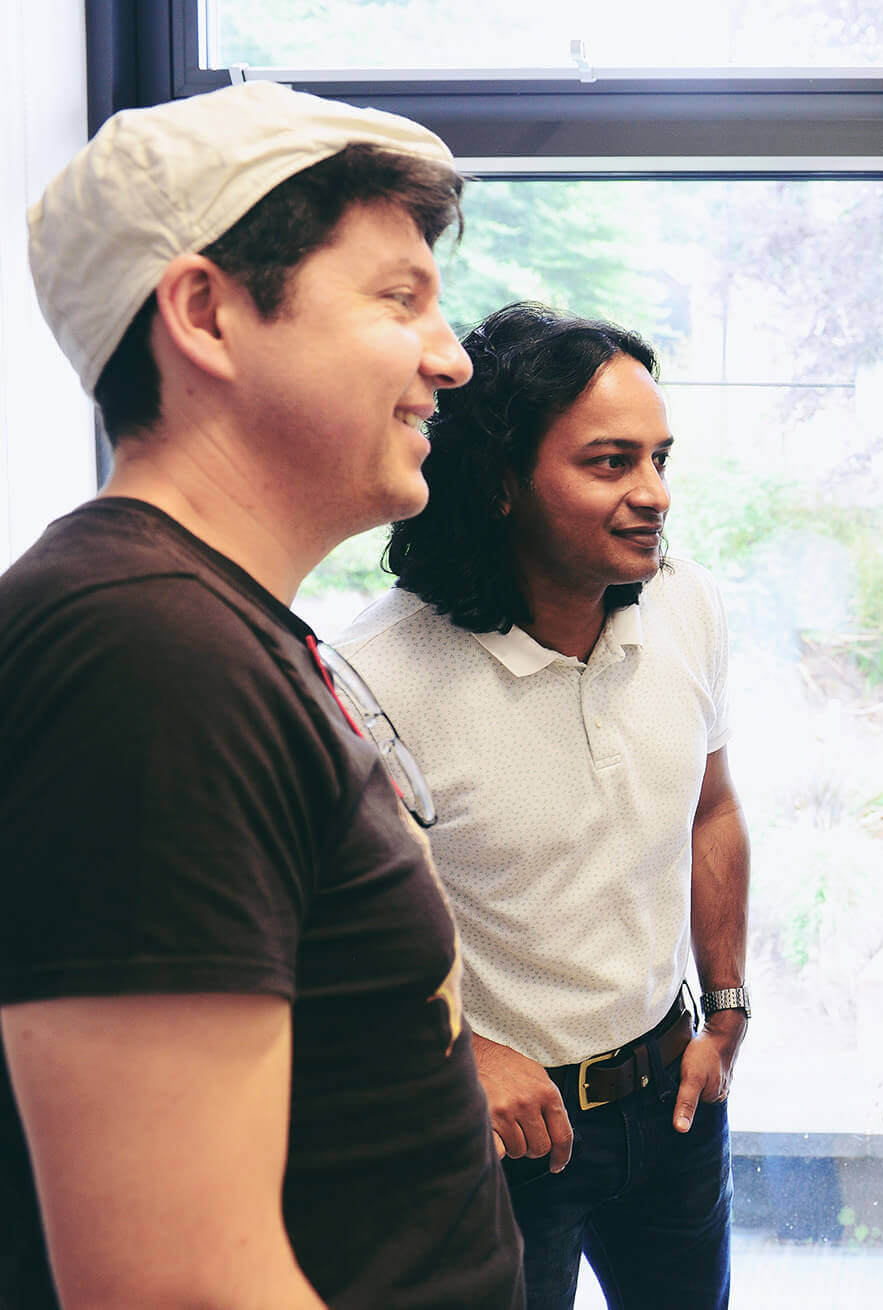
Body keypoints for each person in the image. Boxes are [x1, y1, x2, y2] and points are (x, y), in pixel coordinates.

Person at [0, 83, 524, 1308]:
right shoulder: (143, 651)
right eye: (399, 296)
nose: (451, 355)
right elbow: (175, 1283)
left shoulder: (211, 626)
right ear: (207, 314)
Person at [336, 301, 750, 1310]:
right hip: (500, 1136)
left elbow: (712, 810)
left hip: (676, 1096)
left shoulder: (685, 599)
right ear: (504, 480)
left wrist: (728, 1002)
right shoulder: (373, 676)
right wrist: (463, 1051)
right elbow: (328, 936)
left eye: (660, 458)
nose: (653, 494)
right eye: (611, 463)